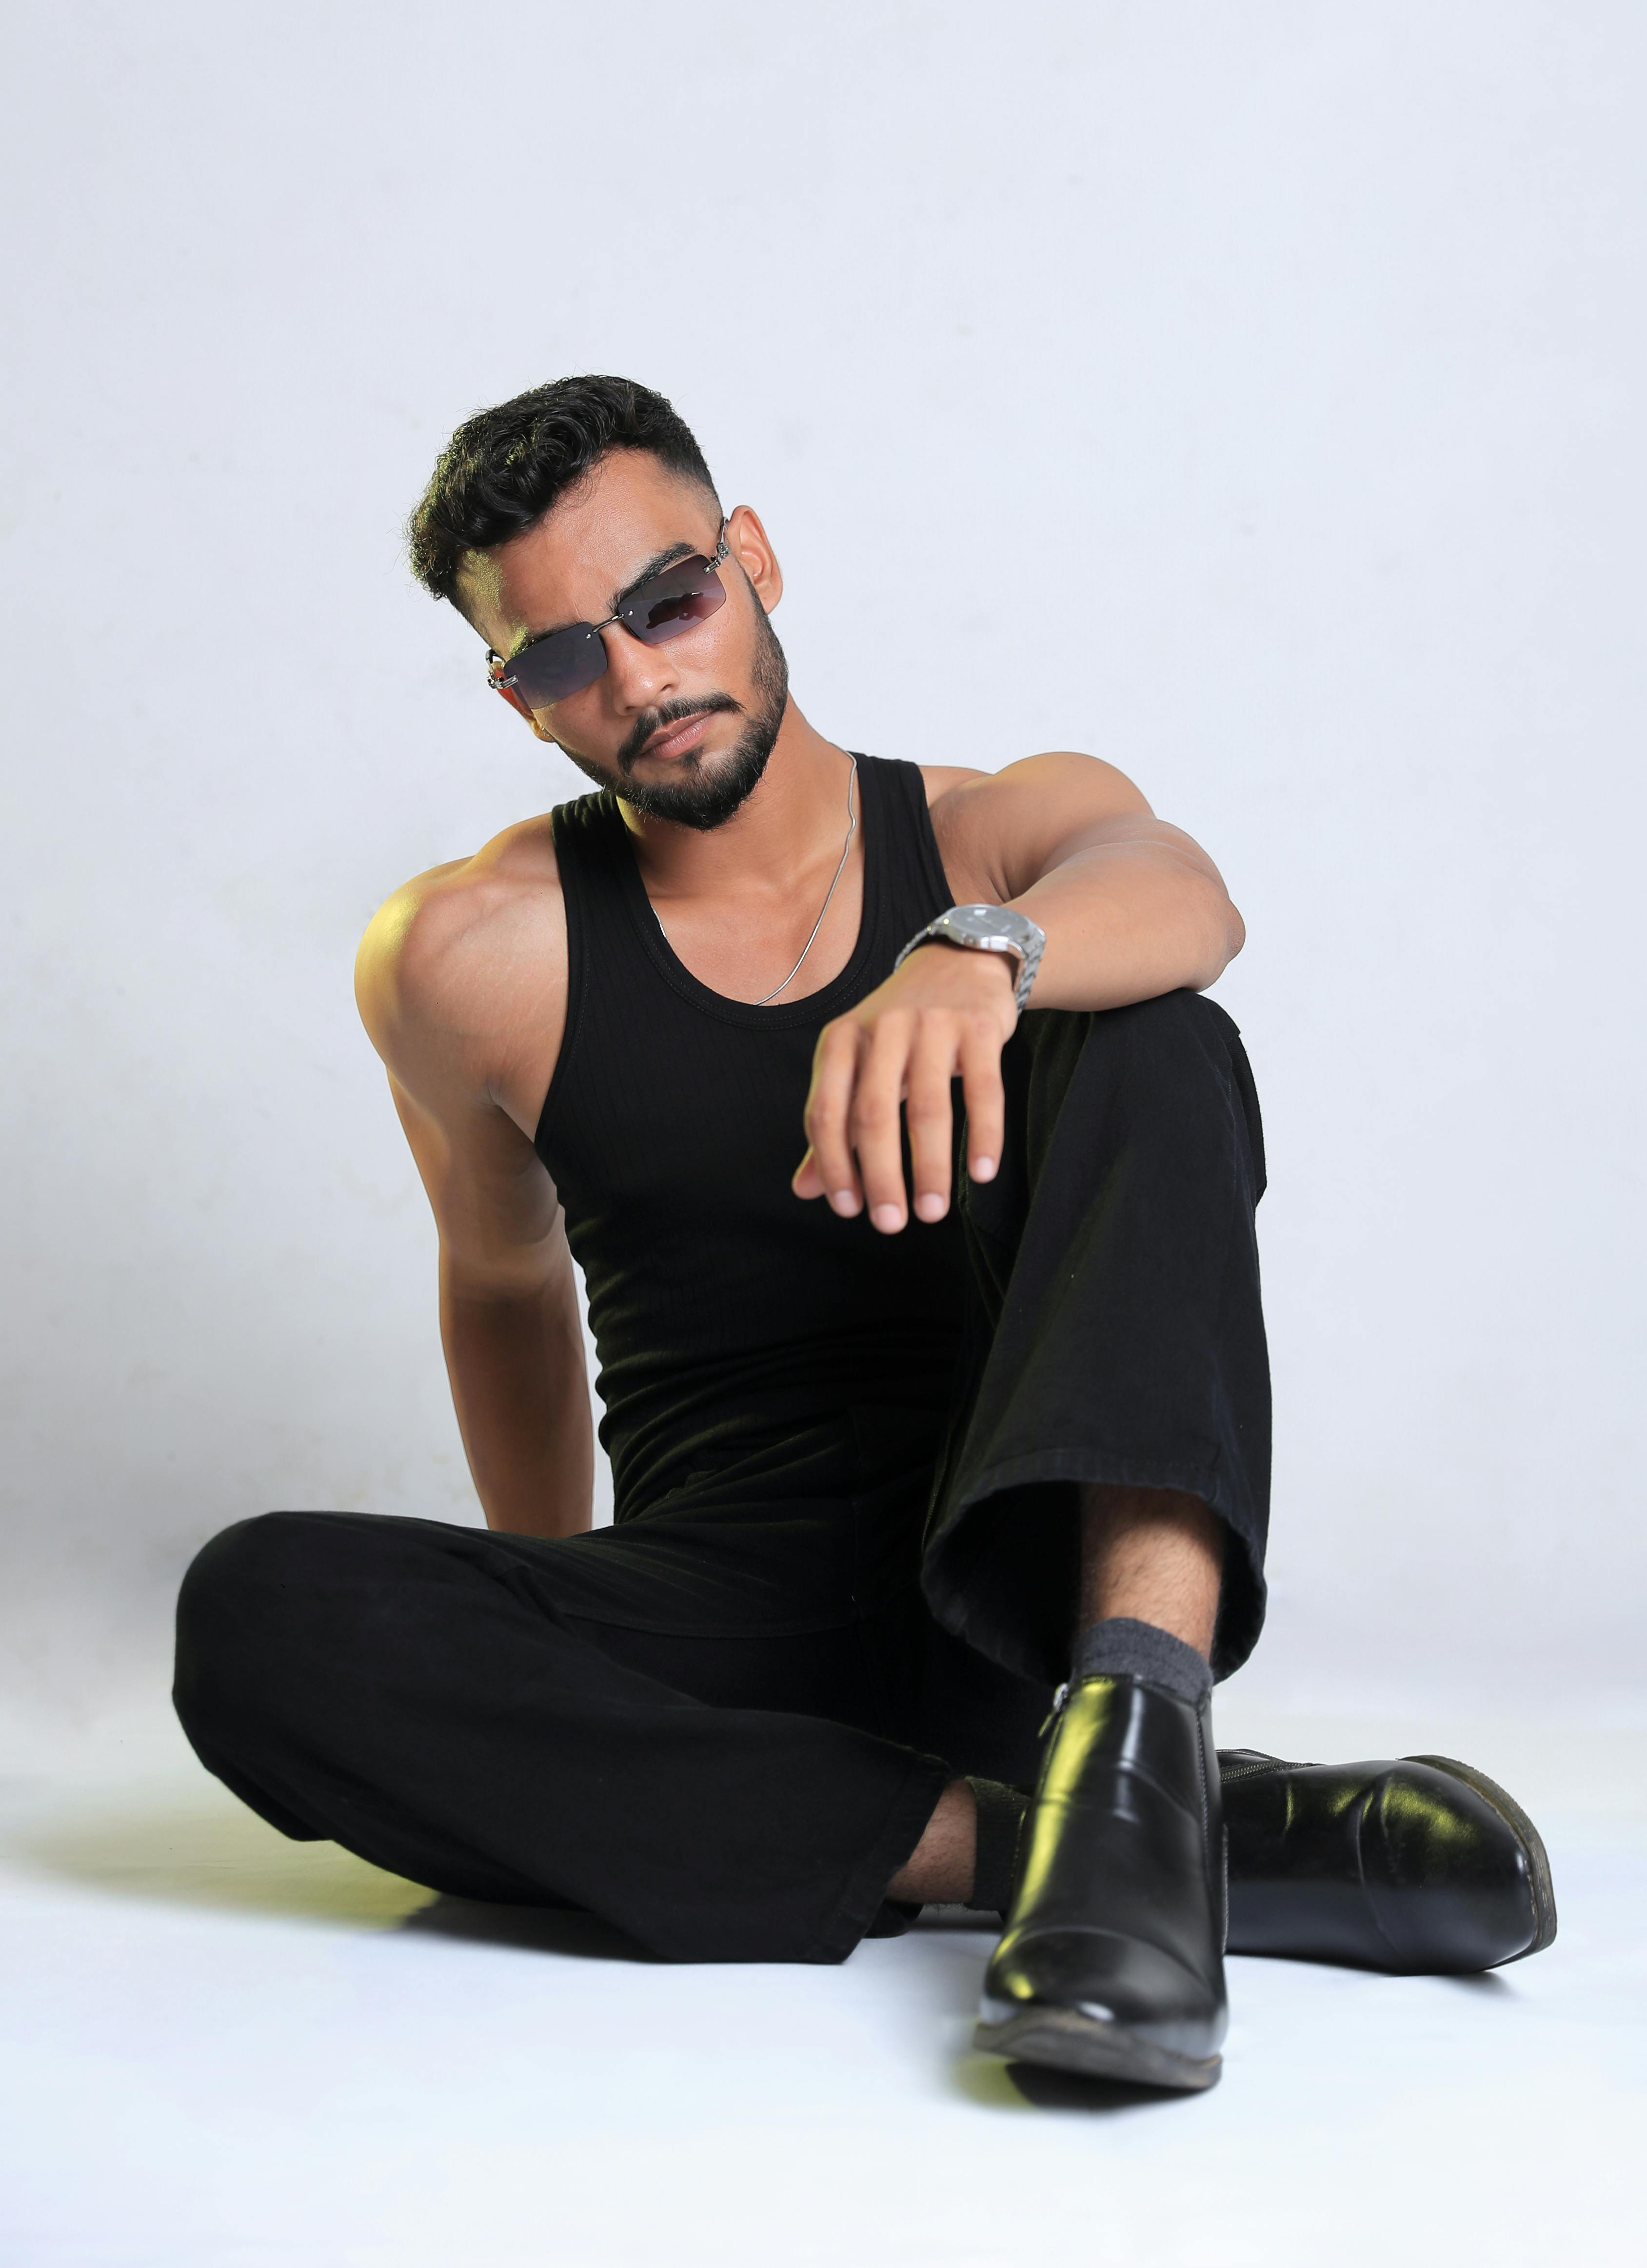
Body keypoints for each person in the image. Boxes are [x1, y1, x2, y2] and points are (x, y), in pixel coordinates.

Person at [173, 377, 1554, 2093]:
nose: (639, 680)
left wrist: (980, 954)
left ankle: (1135, 1725)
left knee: (1158, 1033)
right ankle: (1097, 1842)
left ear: (750, 558)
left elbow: (1187, 895)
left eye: (668, 600)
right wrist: (557, 1668)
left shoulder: (992, 832)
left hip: (1017, 1583)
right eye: (562, 657)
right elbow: (499, 1283)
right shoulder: (466, 952)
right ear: (518, 699)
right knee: (258, 1613)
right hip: (727, 1626)